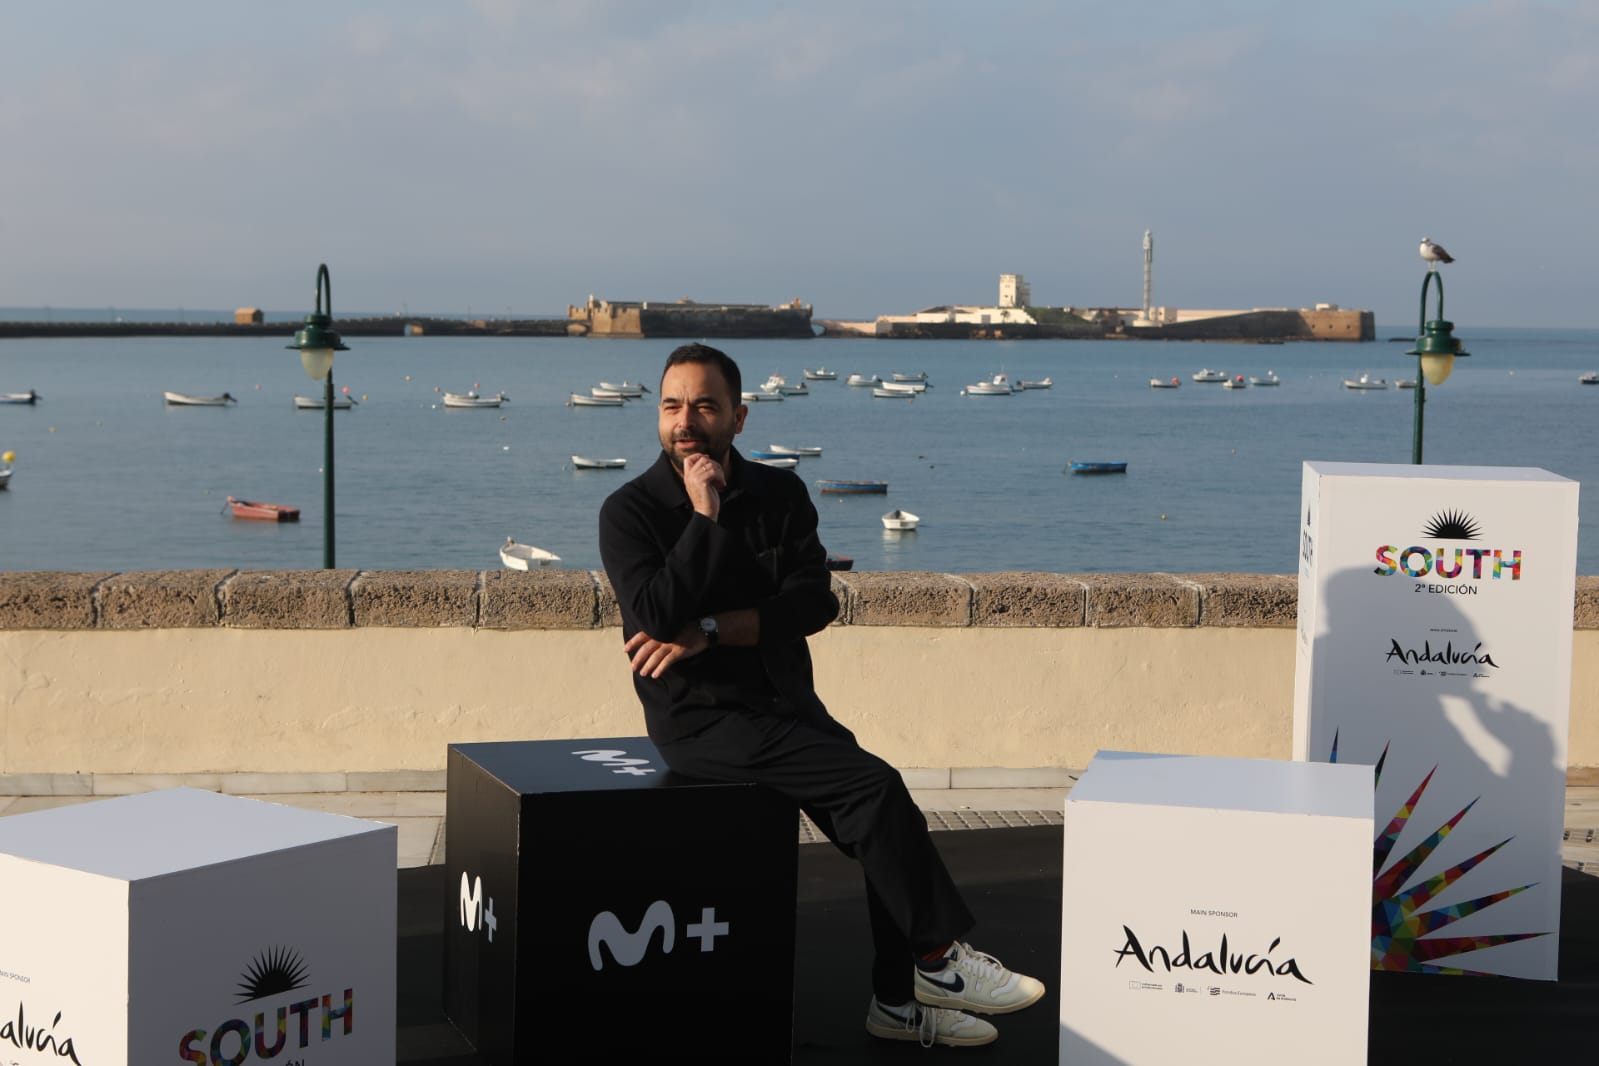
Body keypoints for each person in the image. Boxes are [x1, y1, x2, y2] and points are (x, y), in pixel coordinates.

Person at [598, 343, 1044, 1049]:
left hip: (785, 704)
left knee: (882, 824)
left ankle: (897, 1006)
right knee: (876, 789)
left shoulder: (781, 495)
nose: (686, 421)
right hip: (700, 720)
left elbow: (812, 604)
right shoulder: (630, 511)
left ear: (738, 417)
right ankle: (935, 962)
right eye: (672, 405)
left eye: (705, 405)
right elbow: (654, 614)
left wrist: (712, 628)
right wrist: (704, 517)